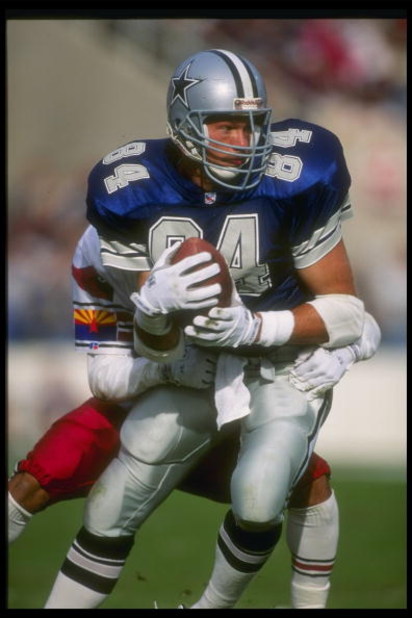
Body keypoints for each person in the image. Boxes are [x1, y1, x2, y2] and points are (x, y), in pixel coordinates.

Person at [41, 49, 380, 609]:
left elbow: (347, 311)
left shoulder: (295, 174)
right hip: (186, 365)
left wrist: (257, 329)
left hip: (279, 362)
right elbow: (126, 360)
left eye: (254, 126)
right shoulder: (125, 195)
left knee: (262, 491)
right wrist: (151, 309)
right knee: (107, 489)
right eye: (227, 126)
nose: (245, 143)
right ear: (184, 124)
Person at [9, 222, 379, 608]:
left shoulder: (235, 227)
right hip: (147, 394)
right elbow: (103, 375)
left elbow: (355, 318)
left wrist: (345, 350)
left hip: (236, 395)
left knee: (297, 484)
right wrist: (162, 368)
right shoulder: (94, 259)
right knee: (35, 480)